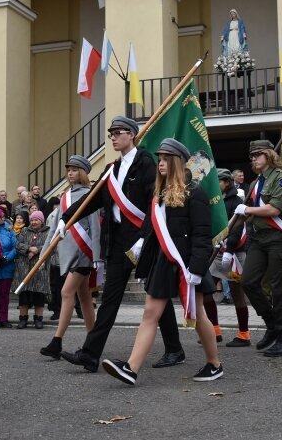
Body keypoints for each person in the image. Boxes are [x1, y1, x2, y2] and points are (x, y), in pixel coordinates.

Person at [59, 116, 183, 373]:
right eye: (111, 133)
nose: (113, 137)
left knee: (156, 291)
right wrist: (66, 219)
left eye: (118, 132)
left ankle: (174, 348)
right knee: (110, 299)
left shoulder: (146, 162)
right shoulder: (111, 169)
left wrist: (144, 238)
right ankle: (91, 355)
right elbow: (92, 201)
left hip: (141, 240)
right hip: (116, 242)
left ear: (132, 134)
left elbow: (154, 202)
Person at [102, 138, 221, 384]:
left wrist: (197, 270)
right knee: (150, 314)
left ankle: (214, 364)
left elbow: (201, 235)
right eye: (160, 159)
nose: (161, 164)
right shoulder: (160, 194)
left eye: (166, 159)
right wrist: (140, 243)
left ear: (177, 162)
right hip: (163, 262)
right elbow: (153, 225)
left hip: (186, 265)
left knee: (198, 315)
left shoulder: (195, 193)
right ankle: (131, 368)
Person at [236, 140, 282, 357]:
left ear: (270, 155)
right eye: (252, 155)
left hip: (277, 238)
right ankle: (272, 324)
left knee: (278, 288)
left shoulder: (281, 178)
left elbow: (274, 210)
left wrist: (248, 208)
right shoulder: (255, 183)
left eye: (258, 154)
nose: (254, 158)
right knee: (248, 282)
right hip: (258, 239)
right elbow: (249, 214)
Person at [41, 155, 100, 359]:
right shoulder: (65, 196)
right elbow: (54, 230)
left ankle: (56, 342)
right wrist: (43, 254)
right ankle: (93, 341)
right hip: (69, 254)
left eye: (74, 169)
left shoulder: (90, 195)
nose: (70, 173)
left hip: (84, 253)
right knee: (84, 298)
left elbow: (95, 228)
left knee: (67, 292)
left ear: (82, 172)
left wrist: (98, 258)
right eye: (69, 169)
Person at [216, 168, 252, 346]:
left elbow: (237, 228)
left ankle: (244, 334)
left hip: (235, 252)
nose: (217, 185)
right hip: (217, 250)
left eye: (219, 181)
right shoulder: (216, 200)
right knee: (205, 288)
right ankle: (214, 330)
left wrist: (229, 249)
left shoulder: (236, 201)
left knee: (237, 292)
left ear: (227, 182)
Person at [12, 211, 51, 329]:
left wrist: (37, 250)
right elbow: (18, 245)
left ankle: (38, 320)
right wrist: (29, 248)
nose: (34, 222)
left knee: (39, 295)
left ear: (41, 221)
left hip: (40, 269)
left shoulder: (48, 232)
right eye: (32, 220)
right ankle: (23, 319)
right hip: (24, 268)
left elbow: (51, 246)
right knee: (24, 295)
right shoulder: (25, 231)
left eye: (36, 220)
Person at [0, 207, 18, 328]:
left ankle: (4, 318)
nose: (2, 218)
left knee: (4, 294)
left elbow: (16, 247)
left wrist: (7, 258)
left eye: (4, 216)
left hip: (7, 265)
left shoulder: (9, 230)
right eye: (0, 216)